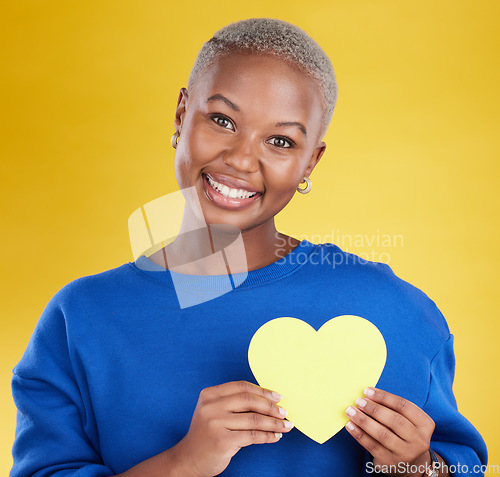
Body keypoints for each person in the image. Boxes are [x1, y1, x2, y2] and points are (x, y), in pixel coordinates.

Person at [10, 18, 487, 477]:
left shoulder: (393, 311)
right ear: (181, 114)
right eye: (222, 120)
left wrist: (418, 469)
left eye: (280, 141)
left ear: (309, 163)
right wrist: (184, 464)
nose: (240, 159)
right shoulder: (82, 320)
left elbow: (465, 463)